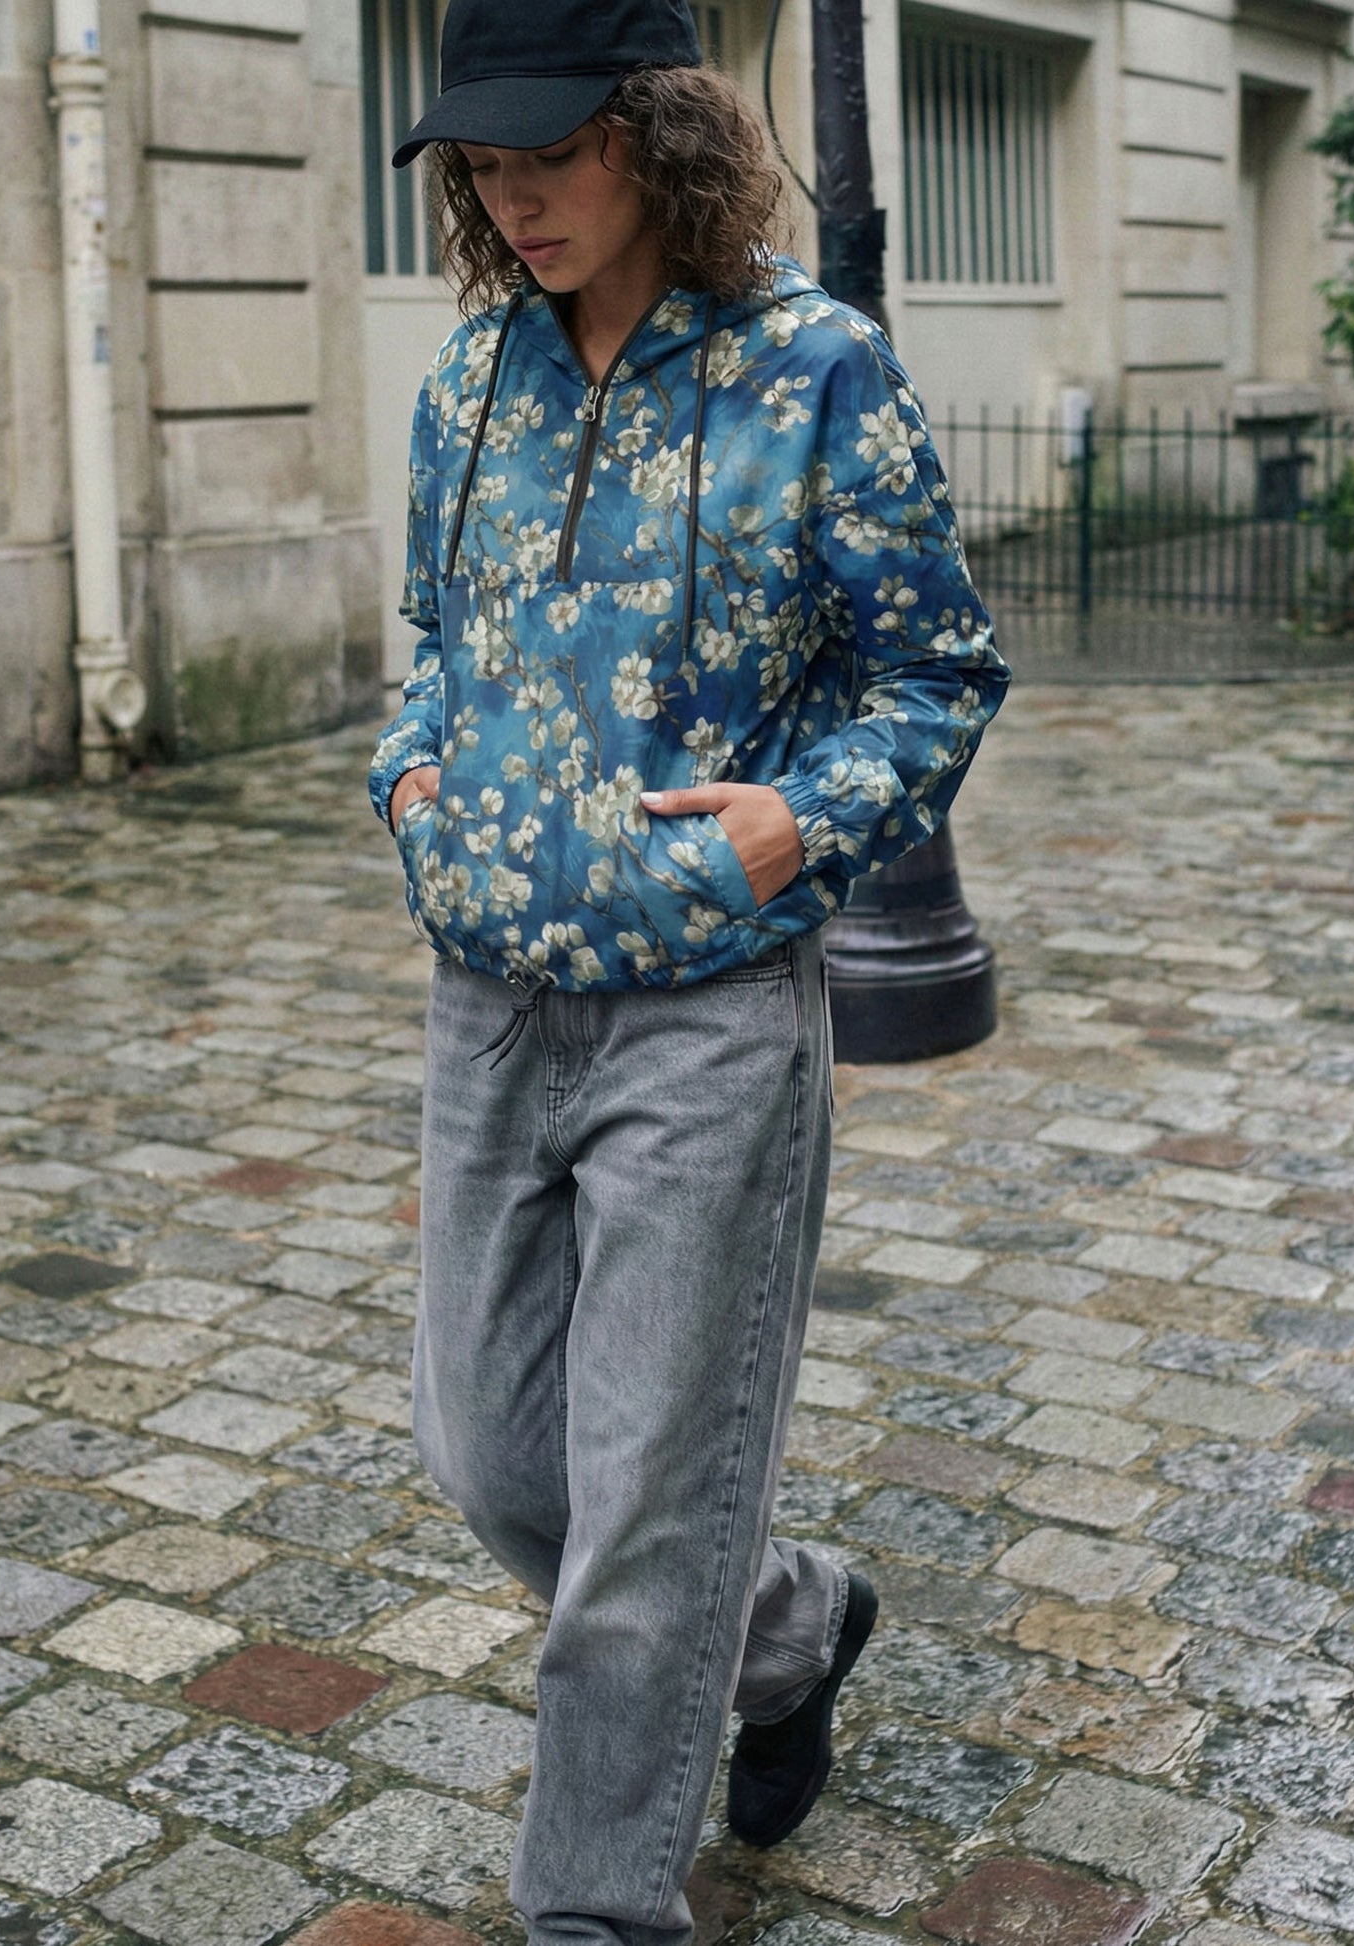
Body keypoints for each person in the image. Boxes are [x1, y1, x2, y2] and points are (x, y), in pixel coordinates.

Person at [368, 2, 1009, 1938]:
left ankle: (592, 1905)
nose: (513, 194)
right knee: (493, 1456)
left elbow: (936, 670)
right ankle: (794, 1619)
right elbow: (429, 638)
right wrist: (408, 772)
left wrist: (793, 825)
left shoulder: (814, 368)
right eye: (482, 165)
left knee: (644, 1505)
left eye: (547, 153)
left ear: (655, 135)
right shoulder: (468, 379)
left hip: (709, 1011)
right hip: (489, 994)